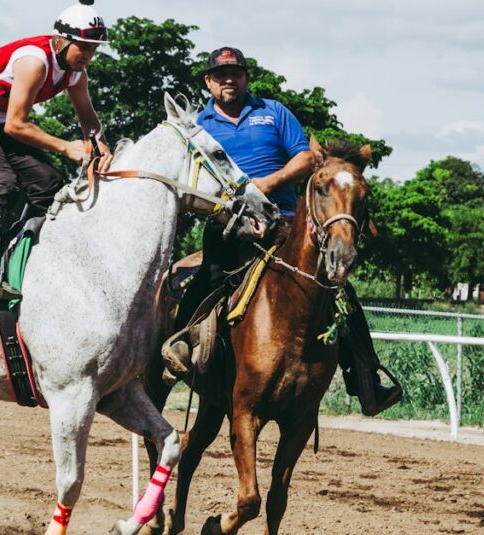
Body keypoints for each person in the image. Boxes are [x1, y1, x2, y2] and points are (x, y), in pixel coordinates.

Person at [168, 46, 402, 416]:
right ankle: (180, 345)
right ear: (209, 82)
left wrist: (269, 182)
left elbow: (307, 157)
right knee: (208, 277)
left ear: (246, 78)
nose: (230, 80)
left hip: (285, 225)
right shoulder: (200, 125)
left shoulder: (273, 112)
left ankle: (366, 379)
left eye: (236, 73)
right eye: (221, 75)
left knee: (341, 291)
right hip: (228, 226)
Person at [0, 0, 114, 300]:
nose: (89, 55)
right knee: (2, 184)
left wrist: (102, 148)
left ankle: (18, 255)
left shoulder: (75, 73)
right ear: (60, 40)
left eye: (94, 49)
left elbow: (88, 120)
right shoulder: (34, 62)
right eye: (83, 47)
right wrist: (66, 147)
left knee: (48, 184)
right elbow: (16, 126)